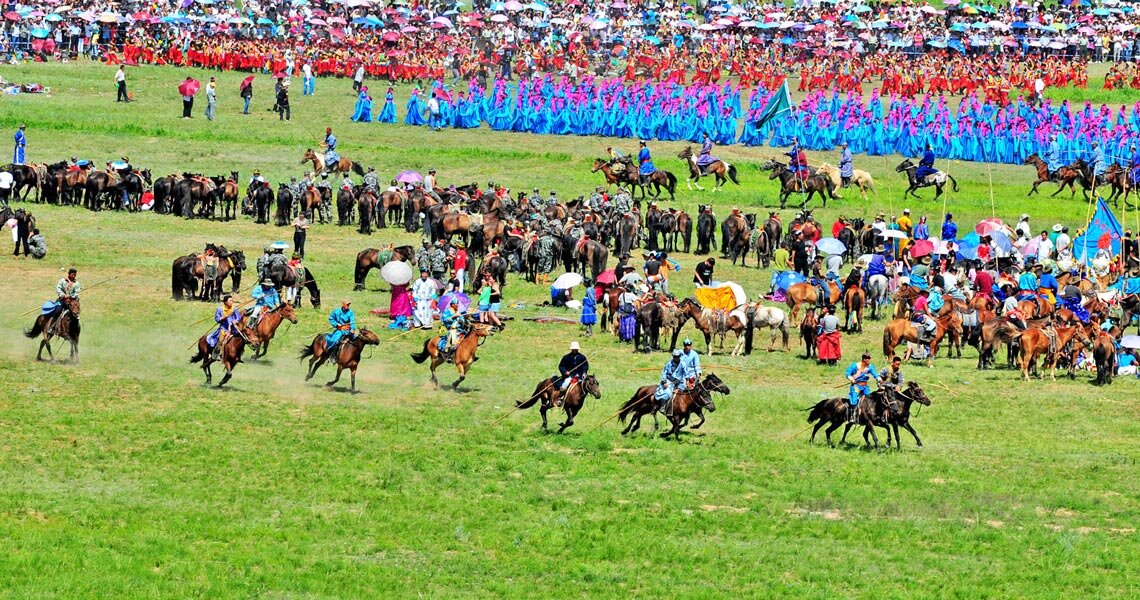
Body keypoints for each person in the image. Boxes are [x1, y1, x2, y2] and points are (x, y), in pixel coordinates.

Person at [845, 353, 880, 423]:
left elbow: (875, 374)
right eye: (867, 358)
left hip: (865, 387)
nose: (868, 360)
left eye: (869, 358)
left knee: (870, 399)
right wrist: (851, 379)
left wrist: (879, 379)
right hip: (856, 386)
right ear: (864, 359)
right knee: (854, 399)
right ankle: (853, 416)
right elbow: (847, 373)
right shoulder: (855, 366)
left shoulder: (870, 367)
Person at [207, 294, 243, 361]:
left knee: (241, 338)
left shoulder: (234, 309)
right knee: (220, 340)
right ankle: (216, 354)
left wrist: (235, 321)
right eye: (230, 301)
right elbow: (217, 318)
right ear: (226, 302)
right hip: (224, 328)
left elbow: (238, 317)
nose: (232, 302)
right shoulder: (220, 309)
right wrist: (222, 318)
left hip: (233, 329)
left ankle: (239, 354)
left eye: (232, 300)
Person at [47, 267, 81, 333]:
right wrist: (63, 295)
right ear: (69, 274)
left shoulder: (77, 284)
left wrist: (71, 296)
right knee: (58, 310)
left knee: (76, 312)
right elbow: (58, 289)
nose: (74, 276)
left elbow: (77, 293)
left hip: (72, 302)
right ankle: (52, 327)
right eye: (72, 275)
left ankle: (76, 329)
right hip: (62, 300)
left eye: (75, 275)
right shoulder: (62, 281)